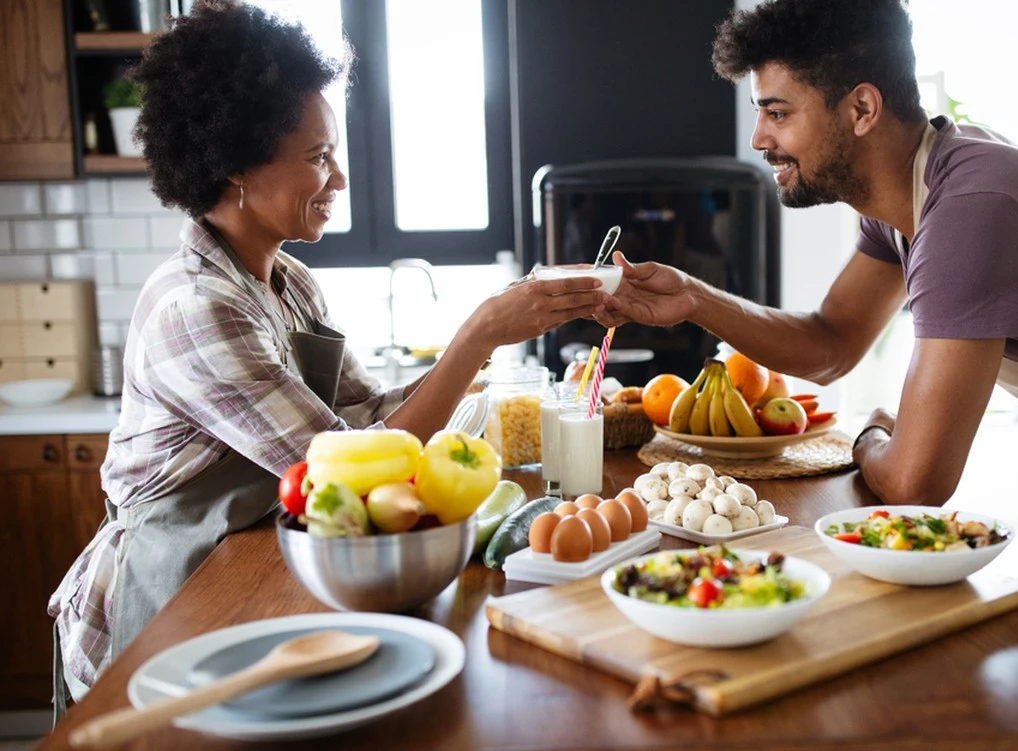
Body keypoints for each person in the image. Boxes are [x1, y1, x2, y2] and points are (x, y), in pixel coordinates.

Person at [599, 0, 1018, 661]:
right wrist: (694, 298)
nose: (759, 140)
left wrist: (869, 434)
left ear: (861, 109)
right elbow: (831, 340)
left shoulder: (971, 212)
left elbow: (916, 482)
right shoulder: (915, 191)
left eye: (777, 112)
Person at [48, 0, 606, 704]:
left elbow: (371, 416)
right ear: (234, 169)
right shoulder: (198, 310)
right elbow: (337, 471)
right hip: (155, 608)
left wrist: (488, 365)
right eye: (318, 157)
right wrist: (478, 334)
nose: (339, 179)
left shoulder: (288, 280)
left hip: (237, 579)